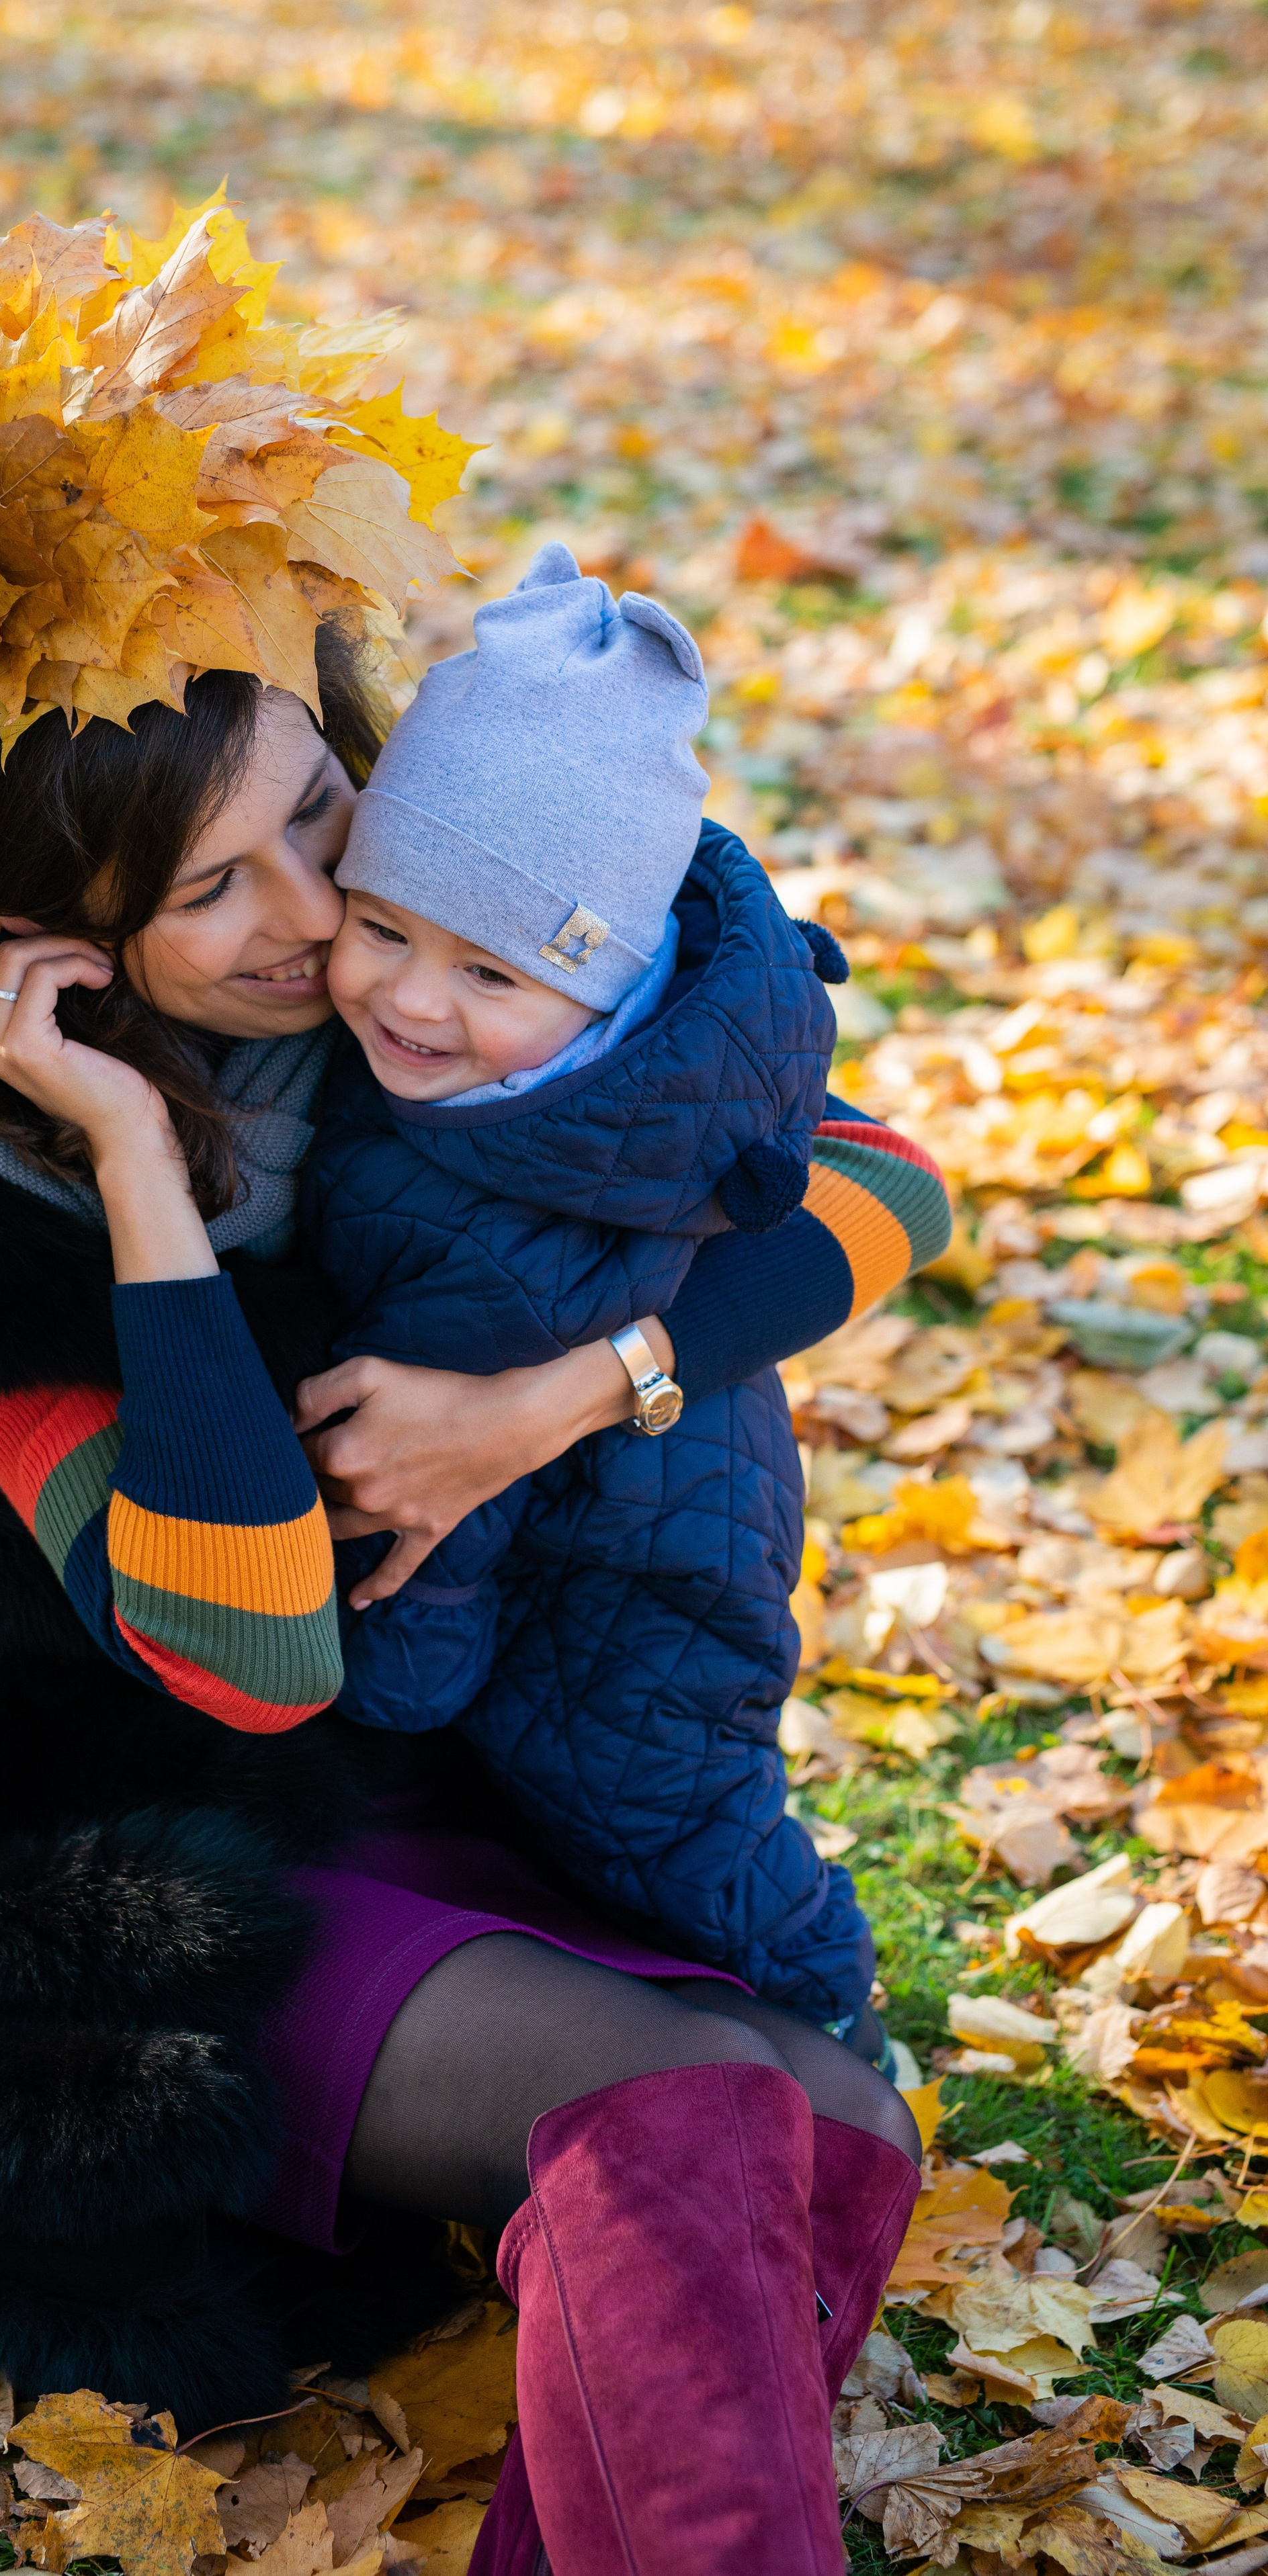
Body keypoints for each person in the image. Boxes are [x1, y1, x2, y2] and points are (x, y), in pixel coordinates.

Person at [0, 214, 937, 2575]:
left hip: (424, 1779)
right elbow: (250, 1643)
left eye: (317, 810)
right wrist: (134, 1176)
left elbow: (872, 1181)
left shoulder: (413, 970)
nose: (319, 920)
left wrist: (557, 1397)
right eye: (221, 892)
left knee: (836, 2124)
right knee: (695, 2115)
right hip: (96, 1870)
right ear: (52, 950)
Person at [298, 539, 950, 2035]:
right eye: (380, 928)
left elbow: (429, 1527)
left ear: (602, 983)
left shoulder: (514, 1159)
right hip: (648, 1519)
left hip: (643, 1560)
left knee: (664, 1811)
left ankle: (819, 2012)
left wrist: (393, 1678)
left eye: (485, 974)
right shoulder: (618, 1056)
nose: (407, 997)